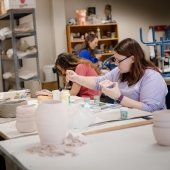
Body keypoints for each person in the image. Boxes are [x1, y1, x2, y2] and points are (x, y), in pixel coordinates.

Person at [66, 38, 168, 112]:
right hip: (130, 119)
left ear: (133, 59)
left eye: (119, 60)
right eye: (115, 59)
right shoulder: (119, 72)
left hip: (150, 123)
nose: (116, 63)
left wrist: (119, 97)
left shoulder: (152, 77)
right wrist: (76, 78)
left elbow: (150, 109)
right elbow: (98, 83)